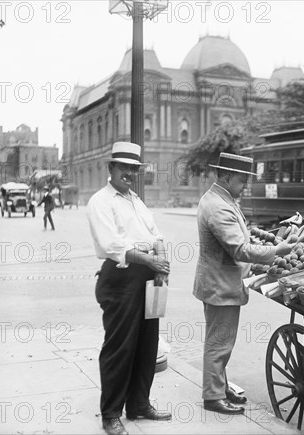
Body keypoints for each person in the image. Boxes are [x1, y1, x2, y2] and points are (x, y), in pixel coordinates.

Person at [193, 152, 295, 415]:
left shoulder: (220, 197)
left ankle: (219, 385)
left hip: (218, 280)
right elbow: (239, 249)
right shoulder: (219, 206)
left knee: (221, 339)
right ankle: (213, 396)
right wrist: (277, 251)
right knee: (219, 342)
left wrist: (263, 241)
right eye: (242, 180)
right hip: (220, 284)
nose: (246, 185)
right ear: (225, 177)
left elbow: (241, 236)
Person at [87, 142, 172, 435]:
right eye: (123, 168)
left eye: (133, 169)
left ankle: (138, 404)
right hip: (120, 279)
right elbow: (112, 245)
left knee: (146, 346)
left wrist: (161, 260)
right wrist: (150, 259)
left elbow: (155, 234)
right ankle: (111, 413)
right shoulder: (101, 201)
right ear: (110, 168)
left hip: (147, 275)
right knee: (119, 348)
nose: (129, 174)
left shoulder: (136, 200)